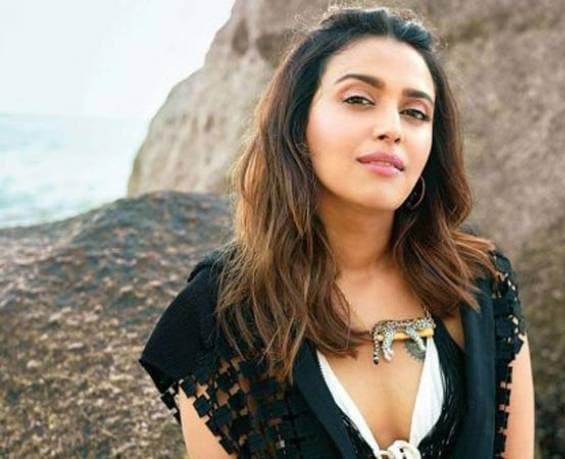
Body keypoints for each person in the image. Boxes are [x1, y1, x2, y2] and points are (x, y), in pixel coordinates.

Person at [139, 5, 534, 459]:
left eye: (415, 112)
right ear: (297, 122)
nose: (392, 129)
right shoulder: (218, 316)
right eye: (359, 99)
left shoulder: (481, 281)